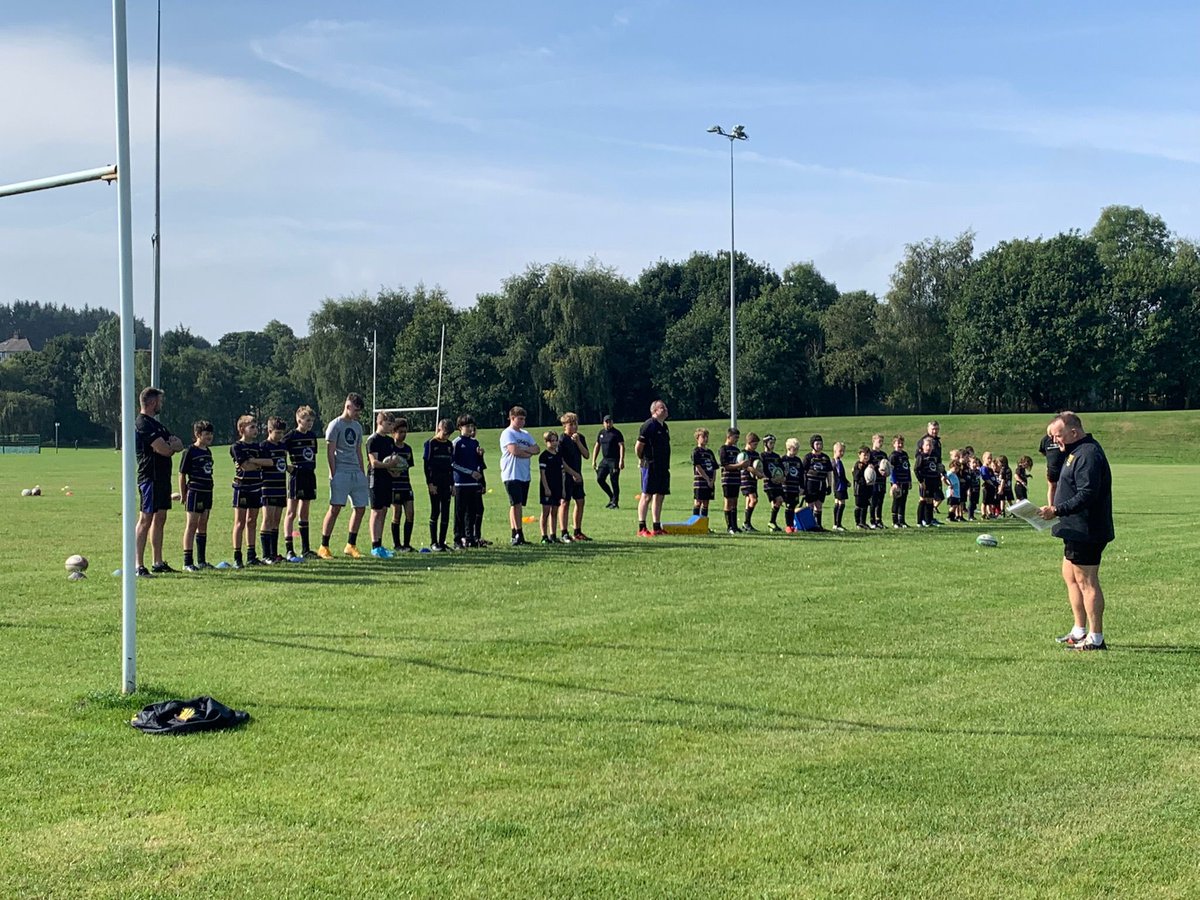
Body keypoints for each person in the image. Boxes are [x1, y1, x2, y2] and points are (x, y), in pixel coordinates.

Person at [1039, 412, 1114, 651]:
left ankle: (1096, 637)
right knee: (1070, 577)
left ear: (1074, 432)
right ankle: (1079, 630)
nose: (1055, 441)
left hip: (1087, 529)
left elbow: (1087, 493)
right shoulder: (1073, 451)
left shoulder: (1088, 454)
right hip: (1073, 528)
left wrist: (1057, 510)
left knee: (1087, 581)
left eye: (1058, 436)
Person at [134, 387, 184, 577]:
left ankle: (158, 561)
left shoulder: (158, 425)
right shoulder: (142, 424)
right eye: (160, 401)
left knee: (161, 518)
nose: (161, 404)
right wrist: (170, 446)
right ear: (153, 402)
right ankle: (138, 564)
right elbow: (164, 449)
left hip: (163, 477)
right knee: (146, 518)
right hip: (150, 477)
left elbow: (178, 443)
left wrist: (170, 446)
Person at [318, 392, 369, 560]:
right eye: (356, 410)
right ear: (348, 406)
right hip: (341, 472)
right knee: (335, 508)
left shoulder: (357, 427)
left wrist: (362, 472)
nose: (357, 414)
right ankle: (324, 546)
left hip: (356, 472)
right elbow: (330, 452)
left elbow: (358, 451)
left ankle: (351, 545)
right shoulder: (335, 425)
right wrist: (333, 473)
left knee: (360, 508)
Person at [230, 414, 272, 569]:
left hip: (256, 486)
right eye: (252, 427)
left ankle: (251, 555)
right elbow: (244, 466)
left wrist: (253, 460)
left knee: (252, 521)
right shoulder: (237, 447)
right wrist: (255, 463)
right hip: (242, 487)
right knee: (240, 522)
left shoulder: (258, 447)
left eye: (256, 426)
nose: (255, 430)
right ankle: (237, 556)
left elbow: (269, 462)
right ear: (242, 429)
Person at [283, 406, 319, 560]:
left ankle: (306, 549)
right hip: (296, 477)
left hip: (309, 476)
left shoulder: (312, 436)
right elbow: (279, 451)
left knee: (304, 512)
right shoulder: (291, 436)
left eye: (312, 420)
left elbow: (313, 455)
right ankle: (289, 549)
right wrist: (288, 468)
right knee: (291, 512)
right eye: (307, 420)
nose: (310, 423)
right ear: (299, 420)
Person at [500, 406, 540, 546]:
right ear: (512, 418)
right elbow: (514, 451)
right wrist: (527, 452)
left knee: (518, 504)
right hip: (512, 474)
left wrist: (527, 450)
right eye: (520, 419)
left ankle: (515, 533)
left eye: (524, 419)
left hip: (524, 474)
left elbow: (537, 449)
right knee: (515, 504)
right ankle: (518, 533)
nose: (523, 422)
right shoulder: (507, 433)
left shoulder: (526, 434)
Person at [179, 420, 215, 572]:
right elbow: (181, 474)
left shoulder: (207, 451)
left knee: (203, 524)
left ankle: (202, 560)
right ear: (197, 435)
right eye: (206, 434)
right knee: (192, 525)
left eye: (210, 434)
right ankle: (188, 561)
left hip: (207, 491)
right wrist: (183, 494)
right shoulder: (190, 452)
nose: (209, 437)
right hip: (195, 491)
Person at [635, 399, 670, 537]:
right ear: (655, 411)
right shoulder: (648, 425)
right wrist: (642, 459)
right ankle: (642, 527)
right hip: (650, 465)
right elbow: (638, 446)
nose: (666, 410)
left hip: (663, 466)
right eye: (663, 408)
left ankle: (657, 526)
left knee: (660, 495)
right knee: (647, 495)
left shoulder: (664, 426)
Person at [365, 411, 397, 559]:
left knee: (384, 510)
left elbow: (392, 460)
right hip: (375, 479)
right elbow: (374, 463)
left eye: (392, 424)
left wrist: (394, 469)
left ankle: (380, 542)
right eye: (388, 424)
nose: (391, 427)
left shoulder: (390, 441)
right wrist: (389, 465)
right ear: (380, 422)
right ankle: (374, 546)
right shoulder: (373, 440)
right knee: (376, 511)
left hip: (387, 479)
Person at [258, 417, 290, 562]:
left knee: (276, 520)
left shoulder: (282, 446)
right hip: (268, 487)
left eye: (282, 433)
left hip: (281, 486)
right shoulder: (263, 446)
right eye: (277, 433)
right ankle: (266, 555)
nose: (280, 436)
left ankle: (274, 553)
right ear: (269, 431)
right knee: (267, 519)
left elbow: (282, 464)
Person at [451, 414, 485, 548]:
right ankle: (457, 539)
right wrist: (470, 472)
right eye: (467, 426)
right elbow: (453, 463)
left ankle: (470, 538)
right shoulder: (457, 442)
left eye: (472, 426)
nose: (470, 429)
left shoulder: (475, 442)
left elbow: (478, 463)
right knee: (459, 512)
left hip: (474, 483)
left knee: (472, 512)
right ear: (460, 427)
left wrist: (480, 457)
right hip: (461, 483)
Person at [558, 412, 591, 542]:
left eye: (576, 424)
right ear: (564, 426)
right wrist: (573, 473)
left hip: (578, 474)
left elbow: (586, 455)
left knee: (580, 501)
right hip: (566, 475)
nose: (574, 427)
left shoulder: (580, 438)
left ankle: (577, 531)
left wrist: (578, 442)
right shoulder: (562, 439)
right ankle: (564, 532)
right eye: (571, 424)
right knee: (565, 502)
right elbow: (561, 461)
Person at [424, 417, 456, 551]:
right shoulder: (430, 444)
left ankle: (442, 542)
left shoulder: (449, 445)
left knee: (446, 512)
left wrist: (453, 484)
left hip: (446, 483)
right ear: (439, 429)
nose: (446, 437)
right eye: (444, 433)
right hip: (435, 483)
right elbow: (427, 465)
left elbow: (451, 466)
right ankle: (434, 542)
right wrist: (430, 483)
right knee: (435, 510)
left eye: (448, 435)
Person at [389, 417, 417, 552]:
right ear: (393, 432)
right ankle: (397, 545)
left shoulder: (408, 449)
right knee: (397, 514)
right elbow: (386, 465)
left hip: (406, 485)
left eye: (405, 432)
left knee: (410, 513)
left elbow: (408, 467)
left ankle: (407, 544)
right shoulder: (390, 447)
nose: (403, 434)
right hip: (394, 486)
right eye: (400, 432)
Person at [592, 415, 625, 509]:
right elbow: (597, 446)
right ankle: (611, 497)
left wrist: (621, 460)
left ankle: (615, 502)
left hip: (614, 460)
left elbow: (621, 446)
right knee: (600, 479)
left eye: (610, 422)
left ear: (612, 422)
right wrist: (594, 460)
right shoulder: (601, 433)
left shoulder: (616, 433)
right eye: (606, 422)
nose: (608, 424)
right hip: (605, 460)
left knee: (614, 480)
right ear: (603, 423)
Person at [802, 434, 834, 531]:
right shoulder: (808, 457)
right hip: (811, 483)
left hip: (821, 483)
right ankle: (809, 525)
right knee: (810, 504)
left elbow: (829, 472)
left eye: (821, 444)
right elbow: (803, 472)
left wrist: (829, 485)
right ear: (812, 445)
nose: (819, 446)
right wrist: (803, 485)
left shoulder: (825, 458)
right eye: (817, 444)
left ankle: (818, 525)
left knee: (819, 504)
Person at [538, 432, 563, 544]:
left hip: (557, 486)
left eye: (555, 440)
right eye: (551, 441)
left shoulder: (558, 455)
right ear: (546, 442)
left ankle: (553, 535)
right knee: (546, 512)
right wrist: (546, 488)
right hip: (547, 487)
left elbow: (561, 473)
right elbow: (542, 474)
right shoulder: (544, 456)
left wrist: (563, 489)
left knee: (555, 511)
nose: (554, 443)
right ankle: (544, 536)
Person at [718, 427, 745, 534]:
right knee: (728, 502)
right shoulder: (723, 449)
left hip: (736, 479)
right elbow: (726, 465)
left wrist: (743, 465)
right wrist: (740, 465)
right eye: (735, 437)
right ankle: (729, 526)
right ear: (728, 437)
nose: (737, 439)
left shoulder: (737, 450)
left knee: (735, 502)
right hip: (727, 479)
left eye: (738, 437)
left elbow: (739, 465)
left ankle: (735, 525)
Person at [759, 434, 786, 532]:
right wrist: (770, 478)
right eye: (771, 443)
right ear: (765, 444)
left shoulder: (776, 456)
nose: (773, 445)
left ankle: (772, 524)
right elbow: (761, 469)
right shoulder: (762, 456)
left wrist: (782, 477)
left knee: (779, 501)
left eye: (773, 443)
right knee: (778, 500)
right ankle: (772, 522)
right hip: (769, 484)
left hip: (778, 483)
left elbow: (781, 469)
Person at [914, 435, 942, 527]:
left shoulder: (934, 457)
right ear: (923, 446)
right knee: (923, 499)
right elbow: (916, 469)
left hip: (933, 481)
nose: (929, 447)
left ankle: (928, 521)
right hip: (925, 481)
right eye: (927, 445)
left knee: (930, 500)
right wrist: (921, 481)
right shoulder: (921, 456)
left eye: (930, 445)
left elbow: (938, 467)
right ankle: (919, 521)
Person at [739, 432, 764, 532]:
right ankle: (746, 522)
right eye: (754, 444)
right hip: (745, 479)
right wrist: (757, 473)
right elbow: (747, 467)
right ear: (749, 443)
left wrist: (759, 474)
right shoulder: (743, 453)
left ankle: (746, 524)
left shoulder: (756, 454)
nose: (756, 446)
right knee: (754, 500)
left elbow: (758, 465)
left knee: (749, 501)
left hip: (753, 480)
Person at [691, 428, 717, 520]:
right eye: (703, 437)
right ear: (698, 438)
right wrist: (706, 478)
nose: (706, 439)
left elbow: (714, 467)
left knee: (706, 502)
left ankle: (703, 524)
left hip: (710, 482)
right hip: (700, 481)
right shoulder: (696, 451)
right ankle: (694, 523)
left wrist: (712, 480)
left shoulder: (709, 452)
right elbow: (698, 467)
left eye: (707, 437)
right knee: (698, 502)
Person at [888, 434, 912, 528]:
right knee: (896, 500)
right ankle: (895, 522)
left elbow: (907, 468)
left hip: (905, 480)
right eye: (898, 443)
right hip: (897, 482)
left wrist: (909, 480)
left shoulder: (905, 454)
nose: (900, 445)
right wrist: (894, 483)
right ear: (894, 444)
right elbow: (892, 470)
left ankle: (902, 521)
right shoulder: (893, 456)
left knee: (903, 501)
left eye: (902, 443)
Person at [781, 438, 804, 532]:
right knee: (788, 506)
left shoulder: (798, 461)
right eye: (795, 449)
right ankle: (788, 526)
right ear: (789, 448)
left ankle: (792, 525)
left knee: (794, 505)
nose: (796, 451)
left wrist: (802, 487)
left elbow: (801, 475)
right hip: (786, 487)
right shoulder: (783, 459)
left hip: (795, 487)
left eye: (797, 449)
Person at [1039, 428, 1065, 506]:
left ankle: (1062, 505)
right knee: (1052, 486)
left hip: (1063, 467)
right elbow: (1042, 451)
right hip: (1051, 468)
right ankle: (1051, 506)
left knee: (1063, 486)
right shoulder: (1045, 440)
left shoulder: (1061, 438)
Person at [867, 433, 887, 530]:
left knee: (880, 501)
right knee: (873, 501)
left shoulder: (883, 455)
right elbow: (869, 468)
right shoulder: (870, 454)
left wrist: (887, 471)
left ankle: (879, 520)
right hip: (874, 482)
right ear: (873, 441)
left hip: (882, 481)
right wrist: (876, 468)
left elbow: (887, 466)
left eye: (882, 441)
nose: (881, 443)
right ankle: (872, 521)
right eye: (879, 441)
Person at [851, 446, 873, 529]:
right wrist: (861, 471)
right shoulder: (858, 465)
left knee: (865, 505)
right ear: (859, 455)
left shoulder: (869, 465)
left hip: (867, 489)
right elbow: (856, 477)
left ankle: (863, 522)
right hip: (859, 489)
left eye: (868, 455)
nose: (866, 457)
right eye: (864, 455)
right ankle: (858, 523)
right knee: (859, 505)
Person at [830, 441, 849, 531]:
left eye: (843, 451)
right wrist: (844, 481)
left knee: (838, 503)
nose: (842, 453)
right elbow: (839, 475)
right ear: (835, 451)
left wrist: (846, 481)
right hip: (839, 486)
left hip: (840, 485)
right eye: (840, 451)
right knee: (841, 503)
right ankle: (838, 524)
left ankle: (836, 524)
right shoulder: (835, 462)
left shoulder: (838, 461)